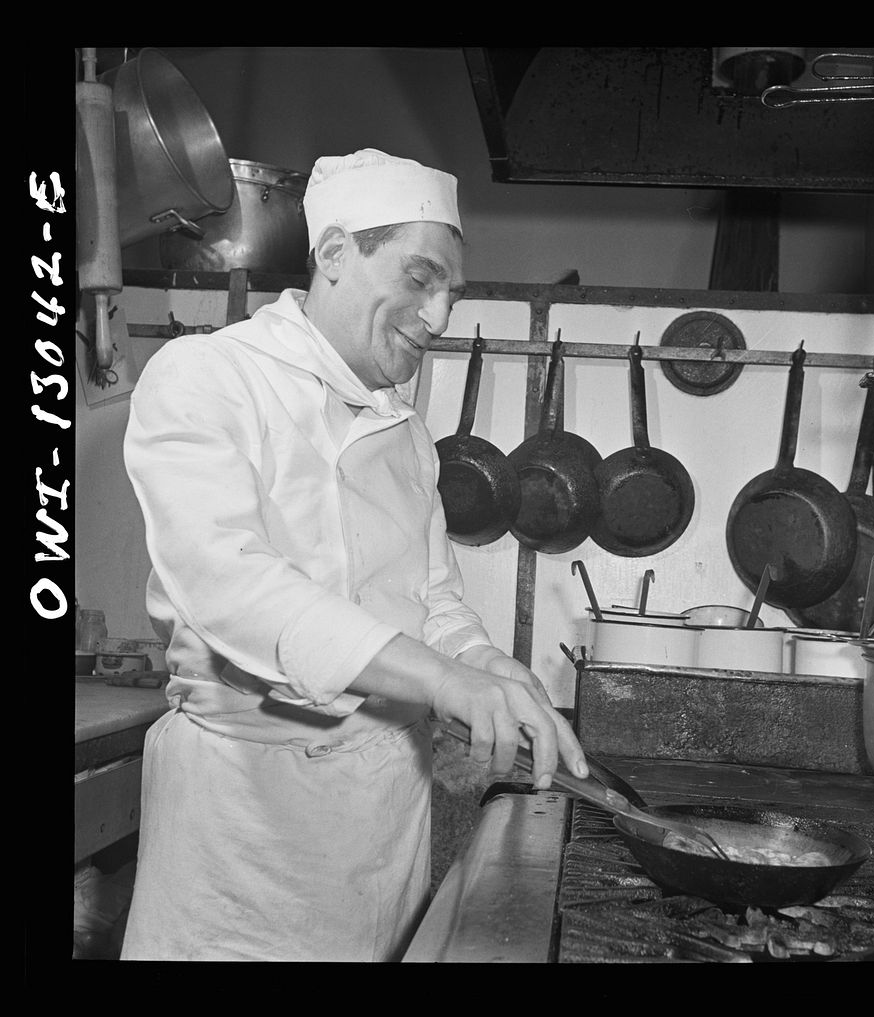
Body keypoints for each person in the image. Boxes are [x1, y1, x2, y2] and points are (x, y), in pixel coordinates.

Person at [119, 148, 588, 962]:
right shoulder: (206, 377)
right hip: (243, 821)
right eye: (419, 278)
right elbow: (232, 583)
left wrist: (482, 659)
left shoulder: (405, 428)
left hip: (378, 814)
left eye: (451, 291)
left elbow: (431, 593)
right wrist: (442, 678)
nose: (438, 315)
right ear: (335, 254)